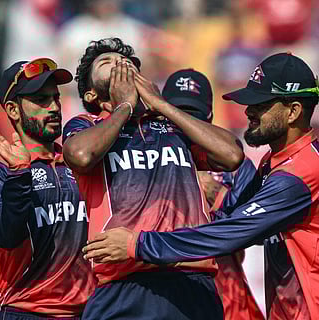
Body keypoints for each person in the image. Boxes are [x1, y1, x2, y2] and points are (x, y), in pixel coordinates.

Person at [82, 52, 319, 319]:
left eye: (260, 105)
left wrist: (138, 244)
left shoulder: (299, 172)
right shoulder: (279, 161)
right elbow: (232, 216)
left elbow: (229, 234)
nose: (248, 112)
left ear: (293, 111)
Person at [62, 38, 244, 320]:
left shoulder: (172, 125)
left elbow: (232, 154)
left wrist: (160, 104)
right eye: (106, 63)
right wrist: (123, 107)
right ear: (90, 96)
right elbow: (81, 155)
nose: (119, 66)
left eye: (126, 64)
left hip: (191, 279)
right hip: (125, 282)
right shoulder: (87, 125)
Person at [0, 58, 96, 319]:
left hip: (88, 313)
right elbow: (5, 234)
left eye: (56, 98)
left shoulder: (79, 161)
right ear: (13, 110)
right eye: (41, 100)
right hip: (28, 312)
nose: (53, 107)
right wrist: (20, 174)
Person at [162, 68, 265, 320]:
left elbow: (262, 230)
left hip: (227, 301)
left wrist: (216, 195)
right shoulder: (141, 161)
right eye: (176, 115)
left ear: (209, 117)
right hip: (163, 297)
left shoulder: (234, 165)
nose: (184, 125)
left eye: (193, 116)